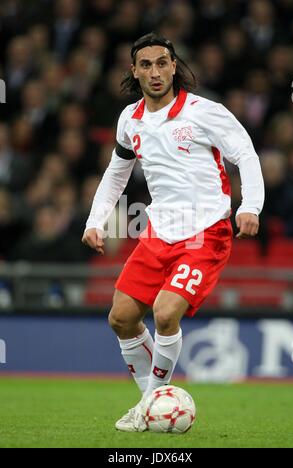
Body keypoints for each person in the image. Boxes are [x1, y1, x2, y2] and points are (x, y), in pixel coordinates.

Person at [82, 32, 265, 432]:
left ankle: (150, 404)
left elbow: (246, 153)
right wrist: (95, 221)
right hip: (157, 233)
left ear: (174, 65)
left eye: (162, 62)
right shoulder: (130, 119)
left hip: (206, 233)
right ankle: (152, 401)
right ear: (134, 71)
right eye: (145, 64)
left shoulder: (204, 112)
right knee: (121, 318)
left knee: (166, 314)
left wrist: (250, 206)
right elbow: (117, 171)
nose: (155, 71)